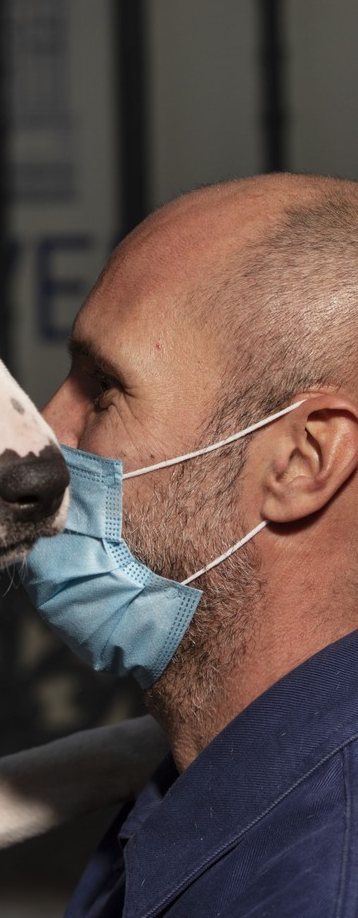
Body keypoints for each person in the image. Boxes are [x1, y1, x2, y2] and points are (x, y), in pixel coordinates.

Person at [23, 172, 358, 916]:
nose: (43, 434)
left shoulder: (321, 879)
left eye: (104, 390)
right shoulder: (216, 776)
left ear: (303, 462)